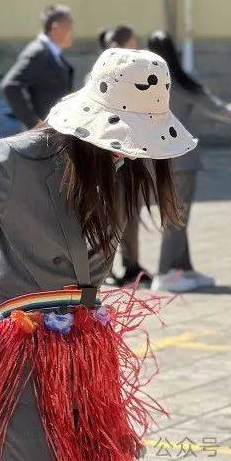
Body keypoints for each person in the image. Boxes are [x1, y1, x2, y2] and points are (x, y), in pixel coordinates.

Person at [0, 48, 196, 461]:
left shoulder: (118, 164)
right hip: (23, 353)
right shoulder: (17, 160)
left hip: (88, 348)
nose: (135, 152)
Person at [147, 31, 231, 292]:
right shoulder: (178, 81)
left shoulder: (143, 84)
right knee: (176, 218)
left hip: (155, 159)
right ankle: (165, 273)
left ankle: (183, 269)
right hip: (181, 160)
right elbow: (212, 105)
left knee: (176, 216)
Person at [96, 25, 152, 287]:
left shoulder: (137, 75)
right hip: (109, 156)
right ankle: (101, 269)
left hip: (133, 155)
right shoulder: (101, 74)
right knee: (108, 215)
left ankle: (132, 266)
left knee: (130, 212)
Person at [1, 5, 74, 129]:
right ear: (55, 28)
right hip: (43, 134)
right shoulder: (38, 52)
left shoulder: (53, 53)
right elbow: (10, 85)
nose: (72, 32)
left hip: (56, 129)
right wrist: (34, 123)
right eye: (69, 28)